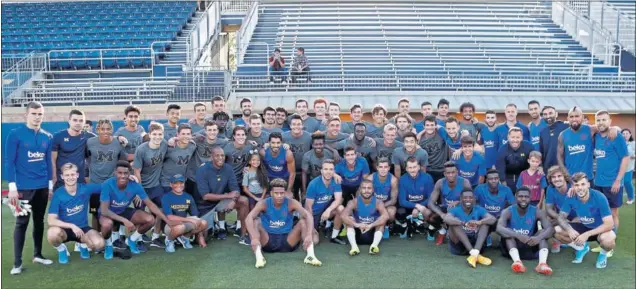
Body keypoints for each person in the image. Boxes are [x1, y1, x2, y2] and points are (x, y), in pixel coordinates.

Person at [6, 101, 54, 274]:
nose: (37, 117)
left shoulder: (47, 136)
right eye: (34, 113)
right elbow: (9, 162)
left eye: (40, 114)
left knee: (39, 221)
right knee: (21, 223)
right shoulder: (15, 134)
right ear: (26, 115)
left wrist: (49, 186)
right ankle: (17, 263)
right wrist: (12, 187)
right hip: (23, 189)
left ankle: (38, 254)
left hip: (42, 187)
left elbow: (48, 163)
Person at [100, 161, 177, 258]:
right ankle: (108, 245)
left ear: (130, 173)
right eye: (120, 173)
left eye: (126, 173)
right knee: (107, 224)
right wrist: (125, 221)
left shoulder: (135, 185)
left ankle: (131, 240)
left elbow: (151, 205)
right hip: (108, 213)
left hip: (123, 211)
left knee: (150, 219)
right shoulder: (107, 184)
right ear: (115, 173)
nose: (123, 176)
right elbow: (104, 211)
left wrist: (167, 220)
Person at [245, 178, 322, 268]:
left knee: (303, 221)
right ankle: (259, 257)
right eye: (276, 193)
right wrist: (254, 237)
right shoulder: (263, 203)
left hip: (288, 241)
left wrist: (309, 235)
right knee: (254, 221)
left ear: (285, 193)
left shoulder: (291, 203)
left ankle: (310, 256)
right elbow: (248, 218)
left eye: (282, 193)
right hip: (268, 240)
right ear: (271, 193)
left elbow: (308, 215)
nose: (279, 196)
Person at [553, 173, 616, 269]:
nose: (580, 188)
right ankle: (581, 248)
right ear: (573, 186)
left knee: (609, 240)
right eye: (576, 185)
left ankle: (603, 254)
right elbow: (561, 217)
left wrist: (587, 234)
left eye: (583, 184)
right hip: (584, 227)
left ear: (588, 185)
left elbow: (609, 224)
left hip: (600, 230)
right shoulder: (571, 196)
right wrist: (569, 230)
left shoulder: (599, 197)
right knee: (557, 231)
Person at [47, 163, 105, 264]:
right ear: (62, 177)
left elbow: (107, 186)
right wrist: (71, 226)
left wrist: (128, 178)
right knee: (52, 234)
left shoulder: (85, 189)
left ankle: (81, 245)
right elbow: (51, 220)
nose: (70, 177)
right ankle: (61, 249)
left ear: (77, 175)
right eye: (67, 175)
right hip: (64, 230)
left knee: (99, 244)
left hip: (82, 228)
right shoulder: (58, 194)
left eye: (72, 174)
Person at [196, 147, 250, 244]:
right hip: (204, 205)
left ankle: (243, 235)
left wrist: (233, 201)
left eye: (222, 155)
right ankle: (213, 227)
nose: (220, 158)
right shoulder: (202, 169)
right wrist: (228, 196)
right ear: (211, 157)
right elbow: (205, 196)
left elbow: (235, 189)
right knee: (204, 237)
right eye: (217, 155)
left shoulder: (228, 168)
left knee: (244, 200)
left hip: (220, 201)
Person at [496, 187, 554, 275]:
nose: (523, 199)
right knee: (507, 232)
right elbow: (498, 228)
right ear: (515, 197)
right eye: (520, 196)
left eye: (526, 197)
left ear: (530, 198)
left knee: (542, 232)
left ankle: (542, 264)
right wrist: (518, 235)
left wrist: (538, 238)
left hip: (530, 245)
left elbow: (550, 229)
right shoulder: (507, 211)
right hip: (511, 247)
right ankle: (517, 262)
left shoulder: (537, 211)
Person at [133, 122, 169, 248]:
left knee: (161, 209)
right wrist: (139, 190)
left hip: (156, 185)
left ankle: (155, 237)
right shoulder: (141, 149)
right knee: (140, 214)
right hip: (142, 186)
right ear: (149, 135)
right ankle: (137, 239)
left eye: (160, 134)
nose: (157, 137)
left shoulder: (164, 144)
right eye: (154, 134)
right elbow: (136, 170)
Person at [443, 189, 496, 267]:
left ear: (474, 199)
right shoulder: (455, 209)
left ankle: (475, 253)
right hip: (459, 247)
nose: (468, 199)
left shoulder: (479, 209)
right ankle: (474, 254)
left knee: (486, 224)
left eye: (470, 197)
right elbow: (446, 219)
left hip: (476, 244)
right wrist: (463, 223)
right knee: (454, 223)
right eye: (465, 197)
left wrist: (479, 222)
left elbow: (493, 219)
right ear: (460, 199)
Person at [428, 161, 472, 245]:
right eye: (448, 173)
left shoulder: (464, 182)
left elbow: (471, 201)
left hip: (461, 209)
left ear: (457, 172)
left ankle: (455, 232)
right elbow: (430, 203)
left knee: (456, 240)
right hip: (446, 208)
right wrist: (441, 214)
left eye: (453, 172)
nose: (451, 175)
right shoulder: (440, 182)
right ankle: (442, 231)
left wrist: (459, 202)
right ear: (444, 174)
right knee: (430, 217)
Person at [161, 174, 208, 252]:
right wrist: (190, 220)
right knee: (180, 227)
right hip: (170, 225)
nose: (179, 185)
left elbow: (195, 216)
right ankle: (169, 241)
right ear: (171, 185)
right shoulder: (166, 197)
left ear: (184, 184)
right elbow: (170, 217)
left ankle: (185, 238)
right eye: (175, 183)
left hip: (184, 223)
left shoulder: (188, 196)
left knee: (204, 223)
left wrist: (200, 236)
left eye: (181, 183)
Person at [51, 110, 96, 191]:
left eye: (81, 120)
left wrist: (118, 137)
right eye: (75, 120)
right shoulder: (58, 136)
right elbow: (52, 160)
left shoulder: (88, 136)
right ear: (69, 121)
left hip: (80, 181)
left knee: (80, 204)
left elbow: (104, 138)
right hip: (62, 182)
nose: (78, 123)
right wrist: (53, 178)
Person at [342, 180, 389, 255]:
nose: (366, 190)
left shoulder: (378, 202)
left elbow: (386, 216)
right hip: (358, 233)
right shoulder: (353, 202)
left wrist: (371, 225)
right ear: (360, 189)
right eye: (364, 188)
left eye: (369, 188)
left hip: (372, 234)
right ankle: (354, 247)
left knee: (381, 221)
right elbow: (343, 216)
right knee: (350, 219)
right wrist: (357, 224)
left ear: (373, 190)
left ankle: (374, 246)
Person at [304, 160, 346, 245]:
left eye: (331, 169)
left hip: (325, 211)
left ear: (334, 171)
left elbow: (338, 199)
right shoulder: (313, 184)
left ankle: (334, 236)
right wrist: (311, 227)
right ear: (321, 171)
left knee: (341, 208)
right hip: (313, 214)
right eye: (326, 169)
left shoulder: (336, 180)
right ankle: (316, 225)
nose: (328, 172)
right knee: (315, 241)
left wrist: (328, 210)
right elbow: (308, 208)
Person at [187, 121, 228, 199]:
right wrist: (174, 139)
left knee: (210, 202)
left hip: (212, 179)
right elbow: (185, 137)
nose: (212, 132)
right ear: (205, 131)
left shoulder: (223, 143)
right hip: (195, 178)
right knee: (195, 202)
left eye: (214, 130)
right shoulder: (198, 140)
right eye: (209, 130)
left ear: (217, 131)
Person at [474, 169, 515, 247]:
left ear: (498, 179)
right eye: (491, 179)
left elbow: (513, 205)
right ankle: (486, 235)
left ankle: (502, 237)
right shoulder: (479, 189)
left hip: (500, 219)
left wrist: (504, 215)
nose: (494, 181)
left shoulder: (506, 189)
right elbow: (474, 204)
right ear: (486, 180)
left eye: (496, 178)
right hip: (484, 219)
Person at [397, 157, 435, 239]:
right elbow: (402, 201)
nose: (412, 170)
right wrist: (416, 206)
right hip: (409, 206)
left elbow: (431, 198)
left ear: (419, 167)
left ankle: (429, 227)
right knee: (400, 212)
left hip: (423, 206)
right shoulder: (402, 179)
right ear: (406, 169)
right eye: (410, 167)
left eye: (414, 167)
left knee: (430, 212)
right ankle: (405, 225)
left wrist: (418, 208)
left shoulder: (427, 178)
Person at [543, 165, 575, 253]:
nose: (556, 179)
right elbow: (548, 208)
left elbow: (584, 210)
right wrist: (560, 218)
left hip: (577, 216)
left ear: (565, 177)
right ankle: (557, 242)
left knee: (567, 229)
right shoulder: (550, 188)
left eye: (559, 176)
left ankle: (581, 244)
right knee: (546, 221)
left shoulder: (573, 188)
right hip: (562, 216)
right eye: (553, 177)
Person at [283, 114, 313, 201]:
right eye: (294, 124)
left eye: (299, 124)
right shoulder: (284, 136)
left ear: (302, 125)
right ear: (290, 125)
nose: (296, 126)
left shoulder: (309, 136)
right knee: (293, 195)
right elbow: (272, 143)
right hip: (290, 171)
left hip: (305, 171)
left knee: (306, 194)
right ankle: (295, 213)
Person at [496, 127, 534, 194]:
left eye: (518, 137)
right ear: (508, 137)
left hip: (525, 177)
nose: (515, 140)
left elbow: (534, 162)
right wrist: (505, 188)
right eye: (512, 137)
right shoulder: (502, 150)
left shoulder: (529, 146)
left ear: (522, 137)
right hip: (509, 178)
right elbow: (500, 169)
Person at [161, 124, 196, 194]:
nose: (186, 136)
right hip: (167, 183)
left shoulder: (193, 146)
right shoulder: (170, 146)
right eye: (183, 134)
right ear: (177, 134)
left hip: (181, 183)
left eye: (188, 134)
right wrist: (173, 139)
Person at [365, 158, 398, 227]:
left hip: (387, 204)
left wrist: (381, 206)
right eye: (381, 167)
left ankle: (387, 226)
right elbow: (364, 196)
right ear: (377, 168)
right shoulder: (370, 178)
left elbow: (393, 200)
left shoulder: (393, 180)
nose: (383, 169)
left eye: (385, 167)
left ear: (389, 168)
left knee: (391, 212)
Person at [417, 115, 450, 183]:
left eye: (432, 125)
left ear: (436, 126)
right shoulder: (419, 139)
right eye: (427, 125)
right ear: (424, 126)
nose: (430, 127)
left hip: (441, 170)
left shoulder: (441, 135)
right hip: (427, 170)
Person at [538, 106, 569, 170]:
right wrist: (540, 166)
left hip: (564, 168)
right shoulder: (543, 132)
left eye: (550, 113)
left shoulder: (566, 127)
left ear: (556, 114)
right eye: (545, 114)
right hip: (548, 169)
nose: (548, 116)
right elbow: (541, 151)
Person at [621, 128, 635, 204]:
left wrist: (632, 156)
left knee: (627, 182)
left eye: (627, 133)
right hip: (619, 167)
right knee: (619, 183)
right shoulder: (619, 143)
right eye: (623, 133)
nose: (625, 135)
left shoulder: (633, 143)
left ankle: (631, 198)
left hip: (629, 167)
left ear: (630, 134)